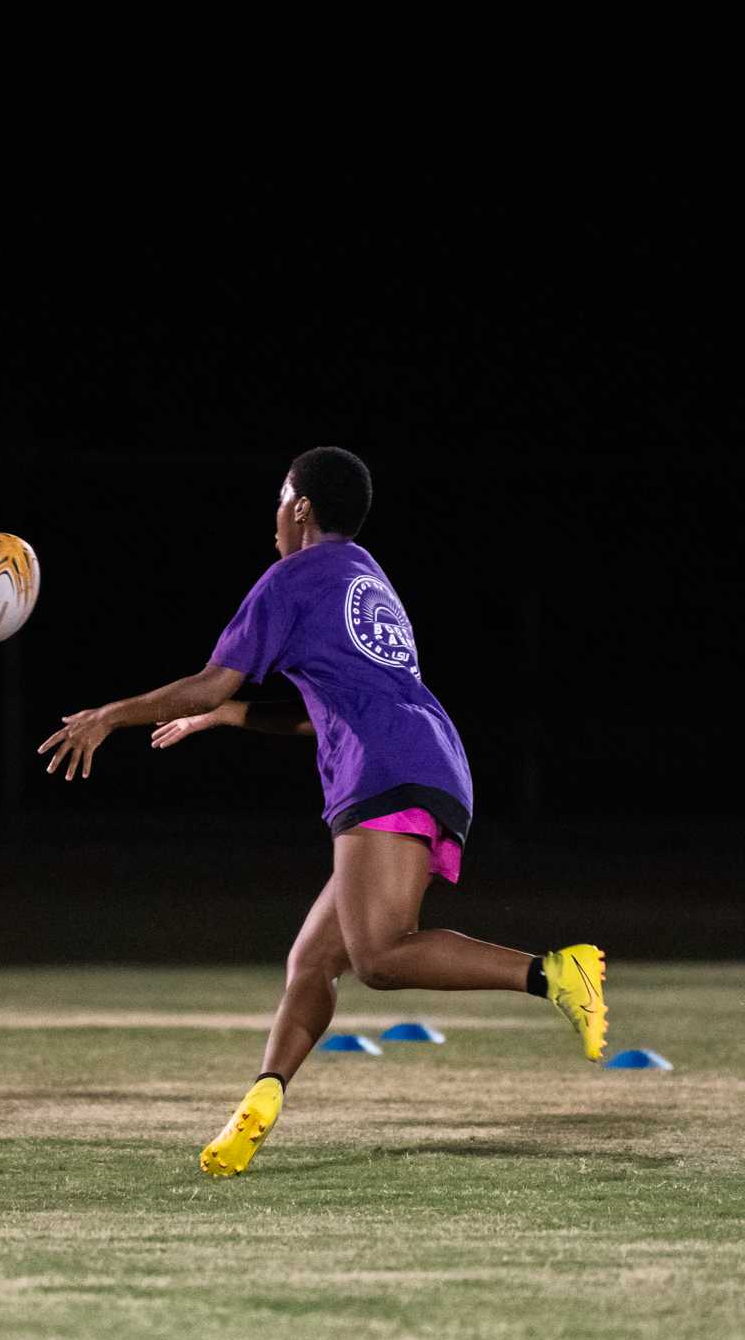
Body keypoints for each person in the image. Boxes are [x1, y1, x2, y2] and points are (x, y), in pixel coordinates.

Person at [38, 446, 607, 1176]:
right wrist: (230, 719)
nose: (274, 514)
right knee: (313, 959)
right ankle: (258, 1104)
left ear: (301, 506)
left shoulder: (292, 577)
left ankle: (556, 973)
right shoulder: (364, 572)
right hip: (422, 756)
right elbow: (322, 709)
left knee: (379, 954)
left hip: (387, 768)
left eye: (280, 498)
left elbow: (212, 681)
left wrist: (109, 716)